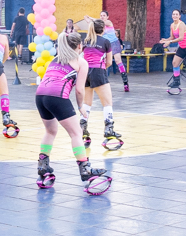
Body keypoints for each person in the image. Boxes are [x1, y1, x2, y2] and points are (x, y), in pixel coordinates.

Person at [35, 32, 108, 189]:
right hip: (57, 97)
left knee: (50, 131)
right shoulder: (81, 62)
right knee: (76, 133)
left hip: (40, 96)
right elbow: (80, 90)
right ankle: (85, 169)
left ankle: (42, 165)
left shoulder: (55, 59)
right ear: (80, 46)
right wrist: (80, 106)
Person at [81, 19, 118, 144]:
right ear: (103, 29)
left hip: (85, 72)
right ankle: (109, 129)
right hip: (98, 71)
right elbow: (109, 62)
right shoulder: (105, 42)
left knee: (86, 103)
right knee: (107, 103)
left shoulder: (86, 41)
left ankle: (82, 128)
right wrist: (101, 69)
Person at [160, 9, 186, 97]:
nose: (175, 16)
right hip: (182, 47)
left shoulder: (181, 24)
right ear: (172, 16)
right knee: (175, 63)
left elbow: (181, 38)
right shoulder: (172, 25)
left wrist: (170, 42)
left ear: (179, 16)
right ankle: (176, 82)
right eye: (173, 14)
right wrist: (165, 40)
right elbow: (172, 37)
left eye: (176, 14)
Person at [100, 11, 129, 92]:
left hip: (114, 43)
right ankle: (103, 82)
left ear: (107, 17)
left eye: (104, 15)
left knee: (118, 61)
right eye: (101, 15)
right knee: (104, 62)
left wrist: (91, 19)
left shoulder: (108, 22)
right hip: (106, 44)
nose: (102, 17)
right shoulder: (100, 26)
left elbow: (99, 22)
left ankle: (125, 83)